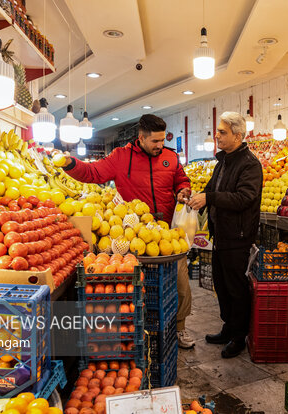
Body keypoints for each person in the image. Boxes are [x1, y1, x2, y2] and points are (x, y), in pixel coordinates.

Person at [61, 114, 196, 349]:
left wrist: (183, 189)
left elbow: (180, 179)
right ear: (141, 138)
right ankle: (141, 333)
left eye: (162, 140)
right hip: (133, 234)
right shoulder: (121, 157)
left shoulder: (171, 157)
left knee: (181, 284)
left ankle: (180, 327)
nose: (159, 145)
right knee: (138, 288)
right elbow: (93, 173)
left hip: (167, 233)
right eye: (154, 141)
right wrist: (70, 164)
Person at [188, 111, 263, 358]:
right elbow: (212, 189)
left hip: (238, 237)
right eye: (218, 131)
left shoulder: (250, 164)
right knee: (221, 284)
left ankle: (239, 336)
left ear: (238, 135)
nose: (217, 135)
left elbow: (244, 198)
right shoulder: (223, 162)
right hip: (220, 235)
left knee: (236, 288)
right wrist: (196, 197)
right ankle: (228, 328)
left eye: (222, 132)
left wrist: (209, 197)